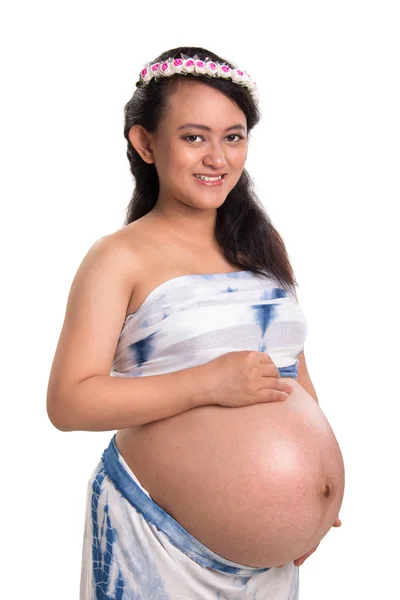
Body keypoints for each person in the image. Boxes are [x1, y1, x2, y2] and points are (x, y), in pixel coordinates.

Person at [47, 46, 343, 599]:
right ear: (145, 143)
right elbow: (68, 401)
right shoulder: (119, 257)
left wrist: (319, 497)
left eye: (233, 136)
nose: (217, 158)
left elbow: (292, 374)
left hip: (270, 569)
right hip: (158, 544)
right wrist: (207, 383)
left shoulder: (261, 245)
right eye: (194, 136)